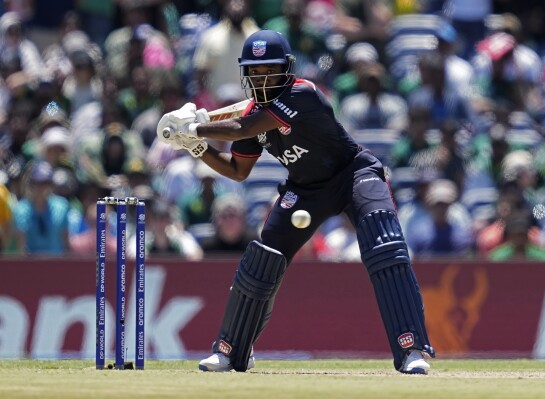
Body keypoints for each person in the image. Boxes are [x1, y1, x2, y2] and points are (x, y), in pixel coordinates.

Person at [156, 30, 434, 374]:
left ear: (286, 69)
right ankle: (231, 351)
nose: (261, 79)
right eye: (254, 72)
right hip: (305, 189)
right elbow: (237, 169)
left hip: (353, 175)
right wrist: (196, 147)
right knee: (262, 259)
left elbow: (242, 126)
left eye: (268, 70)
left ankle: (411, 350)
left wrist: (198, 128)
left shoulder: (302, 93)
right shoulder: (255, 114)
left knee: (385, 247)